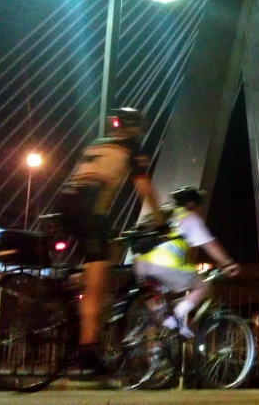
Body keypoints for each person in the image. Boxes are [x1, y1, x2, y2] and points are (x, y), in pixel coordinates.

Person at [56, 107, 164, 369]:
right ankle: (88, 348)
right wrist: (160, 221)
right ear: (133, 127)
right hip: (90, 214)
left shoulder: (98, 145)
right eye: (139, 128)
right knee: (96, 286)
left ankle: (73, 283)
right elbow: (144, 189)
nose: (140, 132)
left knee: (111, 248)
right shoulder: (131, 149)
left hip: (66, 205)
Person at [132, 186, 240, 338]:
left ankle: (155, 352)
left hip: (140, 266)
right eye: (199, 206)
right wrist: (228, 263)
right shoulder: (188, 217)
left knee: (155, 314)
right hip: (163, 266)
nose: (201, 210)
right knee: (202, 284)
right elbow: (210, 245)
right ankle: (178, 315)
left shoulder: (162, 215)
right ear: (192, 204)